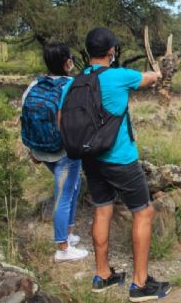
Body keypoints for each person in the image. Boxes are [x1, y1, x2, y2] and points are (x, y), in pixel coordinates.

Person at [59, 27, 170, 301]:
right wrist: (158, 73)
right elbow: (148, 79)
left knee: (102, 210)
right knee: (143, 213)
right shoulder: (119, 76)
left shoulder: (76, 81)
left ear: (87, 51)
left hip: (90, 158)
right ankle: (140, 284)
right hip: (120, 158)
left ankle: (102, 275)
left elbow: (62, 118)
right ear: (112, 52)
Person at [21, 42, 88, 263]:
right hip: (64, 152)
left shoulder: (34, 86)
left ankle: (68, 234)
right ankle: (62, 247)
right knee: (64, 195)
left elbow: (25, 118)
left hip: (41, 150)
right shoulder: (73, 86)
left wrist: (32, 149)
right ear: (68, 63)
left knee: (73, 187)